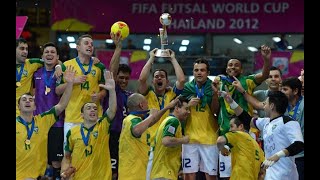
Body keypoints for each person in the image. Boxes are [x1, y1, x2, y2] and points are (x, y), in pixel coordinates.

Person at [16, 66, 75, 180]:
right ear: (18, 107)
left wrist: (70, 84)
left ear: (35, 106)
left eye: (31, 100)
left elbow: (61, 105)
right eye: (24, 100)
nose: (28, 101)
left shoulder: (43, 120)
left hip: (38, 177)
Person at [60, 70, 116, 180]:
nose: (93, 110)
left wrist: (112, 91)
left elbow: (112, 110)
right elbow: (67, 156)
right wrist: (64, 171)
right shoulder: (73, 131)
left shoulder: (102, 126)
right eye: (88, 108)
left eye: (95, 108)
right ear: (82, 115)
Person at [56, 34, 107, 145]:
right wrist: (72, 81)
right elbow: (58, 90)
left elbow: (104, 90)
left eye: (92, 44)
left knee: (94, 155)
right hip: (72, 118)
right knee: (70, 155)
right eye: (86, 43)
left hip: (94, 117)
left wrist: (99, 95)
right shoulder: (67, 65)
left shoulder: (99, 66)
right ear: (78, 47)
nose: (90, 46)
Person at [118, 93, 179, 180]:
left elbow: (151, 122)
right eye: (147, 103)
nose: (148, 106)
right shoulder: (132, 119)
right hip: (133, 173)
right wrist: (151, 115)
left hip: (137, 171)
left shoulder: (135, 120)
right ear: (141, 105)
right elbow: (136, 131)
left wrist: (167, 107)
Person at [181, 58, 220, 180]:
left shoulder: (213, 87)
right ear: (193, 72)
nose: (199, 73)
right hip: (190, 138)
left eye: (202, 70)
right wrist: (187, 105)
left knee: (210, 176)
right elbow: (178, 112)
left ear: (208, 73)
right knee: (188, 175)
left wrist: (214, 94)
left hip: (209, 138)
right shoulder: (187, 87)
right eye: (196, 70)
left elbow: (216, 111)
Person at [252, 91, 304, 180]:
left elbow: (299, 144)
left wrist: (278, 155)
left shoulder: (289, 122)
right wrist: (231, 102)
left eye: (266, 102)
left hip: (285, 175)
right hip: (270, 173)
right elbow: (247, 120)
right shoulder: (266, 122)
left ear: (272, 106)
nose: (263, 105)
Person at [138, 48, 185, 146]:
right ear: (152, 81)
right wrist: (151, 58)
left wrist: (173, 59)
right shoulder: (147, 94)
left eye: (162, 76)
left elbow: (181, 80)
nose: (159, 78)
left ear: (167, 82)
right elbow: (142, 79)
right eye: (156, 76)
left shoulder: (171, 94)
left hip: (167, 139)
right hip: (150, 143)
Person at [103, 33, 133, 179]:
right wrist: (118, 47)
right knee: (112, 173)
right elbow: (112, 72)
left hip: (126, 138)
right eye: (121, 77)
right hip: (111, 135)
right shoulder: (111, 90)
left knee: (123, 172)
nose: (123, 81)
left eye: (126, 78)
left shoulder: (130, 96)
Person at [33, 42, 65, 179]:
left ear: (57, 56)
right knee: (40, 156)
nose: (49, 54)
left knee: (56, 160)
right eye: (47, 52)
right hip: (38, 121)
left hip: (56, 122)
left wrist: (59, 66)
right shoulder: (36, 73)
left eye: (53, 52)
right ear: (42, 56)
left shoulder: (61, 73)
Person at [16, 38, 63, 117]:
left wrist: (58, 66)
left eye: (26, 49)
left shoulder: (32, 63)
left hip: (25, 114)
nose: (25, 52)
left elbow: (52, 60)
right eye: (21, 49)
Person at [149, 97, 190, 180]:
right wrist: (183, 140)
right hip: (165, 173)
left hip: (161, 173)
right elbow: (166, 141)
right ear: (177, 108)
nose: (188, 112)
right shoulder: (173, 121)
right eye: (186, 109)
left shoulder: (167, 121)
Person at [281, 77, 304, 180]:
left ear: (295, 91)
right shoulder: (282, 107)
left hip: (301, 156)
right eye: (281, 89)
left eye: (285, 89)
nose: (282, 92)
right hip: (287, 155)